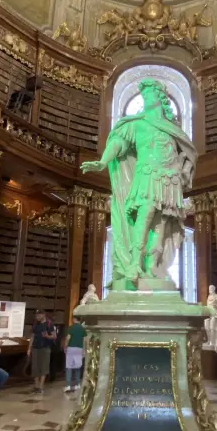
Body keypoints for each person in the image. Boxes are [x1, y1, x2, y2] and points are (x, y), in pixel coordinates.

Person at [80, 79, 197, 283]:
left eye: (149, 94)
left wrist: (184, 170)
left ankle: (152, 267)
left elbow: (188, 153)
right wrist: (102, 161)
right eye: (144, 95)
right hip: (148, 174)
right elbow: (118, 142)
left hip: (170, 178)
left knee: (161, 223)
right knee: (145, 214)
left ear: (160, 97)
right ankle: (134, 263)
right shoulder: (137, 124)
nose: (145, 98)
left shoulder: (172, 128)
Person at [28, 310, 56, 394]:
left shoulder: (49, 324)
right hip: (35, 348)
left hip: (45, 348)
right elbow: (32, 336)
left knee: (44, 367)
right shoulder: (36, 324)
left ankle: (41, 386)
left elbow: (54, 336)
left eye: (38, 315)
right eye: (36, 316)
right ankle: (36, 385)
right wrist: (29, 348)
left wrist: (47, 336)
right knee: (35, 367)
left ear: (43, 315)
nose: (37, 317)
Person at [64, 320, 87, 392]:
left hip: (71, 348)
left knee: (69, 367)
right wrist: (84, 350)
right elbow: (85, 341)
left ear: (74, 319)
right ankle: (77, 385)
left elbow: (68, 338)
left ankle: (68, 385)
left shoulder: (71, 327)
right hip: (79, 349)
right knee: (78, 366)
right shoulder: (83, 329)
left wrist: (65, 346)